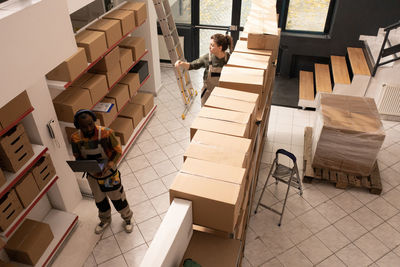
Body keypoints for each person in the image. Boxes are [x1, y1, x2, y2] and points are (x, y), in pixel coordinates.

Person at [70, 109, 133, 234]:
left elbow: (117, 151)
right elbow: (77, 156)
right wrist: (84, 166)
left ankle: (127, 219)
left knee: (117, 198)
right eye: (83, 127)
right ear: (78, 126)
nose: (88, 129)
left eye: (90, 124)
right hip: (92, 176)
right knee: (100, 200)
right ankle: (105, 220)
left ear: (94, 121)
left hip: (109, 174)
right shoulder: (75, 138)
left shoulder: (106, 133)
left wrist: (109, 164)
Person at [175, 33, 233, 106]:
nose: (209, 47)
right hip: (207, 93)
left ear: (220, 48)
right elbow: (192, 65)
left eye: (212, 45)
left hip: (222, 93)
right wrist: (181, 63)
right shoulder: (207, 58)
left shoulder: (229, 59)